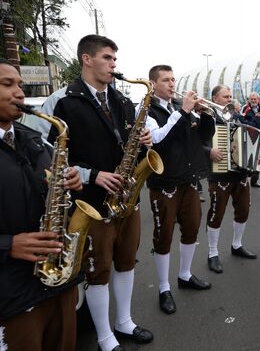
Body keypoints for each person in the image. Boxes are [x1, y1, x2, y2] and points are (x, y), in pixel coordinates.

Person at [47, 35, 153, 351]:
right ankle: (105, 336)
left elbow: (127, 144)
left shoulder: (121, 101)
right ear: (87, 59)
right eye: (107, 58)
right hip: (92, 203)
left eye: (115, 59)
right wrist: (93, 175)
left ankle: (124, 322)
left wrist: (143, 139)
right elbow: (54, 159)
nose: (114, 65)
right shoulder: (64, 101)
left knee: (126, 261)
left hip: (125, 199)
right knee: (98, 269)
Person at [0, 58, 83, 351]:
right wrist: (8, 244)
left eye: (20, 84)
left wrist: (68, 180)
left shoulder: (31, 138)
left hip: (56, 279)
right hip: (12, 294)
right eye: (7, 84)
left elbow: (48, 188)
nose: (19, 93)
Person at [144, 65, 215, 315]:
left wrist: (204, 115)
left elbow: (203, 137)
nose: (173, 84)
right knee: (163, 237)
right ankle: (164, 287)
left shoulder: (178, 108)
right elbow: (159, 139)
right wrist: (184, 111)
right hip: (164, 184)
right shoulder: (146, 110)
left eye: (173, 79)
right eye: (166, 80)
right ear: (153, 84)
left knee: (192, 227)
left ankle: (184, 275)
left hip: (188, 180)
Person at [204, 85, 260, 273]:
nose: (229, 99)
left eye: (231, 96)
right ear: (214, 97)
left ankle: (237, 245)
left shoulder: (238, 117)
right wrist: (209, 151)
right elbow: (195, 143)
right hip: (219, 173)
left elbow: (249, 142)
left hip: (240, 174)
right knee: (217, 213)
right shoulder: (207, 118)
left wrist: (257, 159)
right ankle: (212, 253)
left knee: (243, 210)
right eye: (225, 96)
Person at [241, 92, 260, 188]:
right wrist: (255, 119)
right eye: (251, 99)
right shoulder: (245, 109)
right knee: (247, 158)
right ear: (249, 100)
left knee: (258, 158)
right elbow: (243, 121)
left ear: (258, 99)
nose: (253, 101)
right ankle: (245, 179)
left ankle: (254, 180)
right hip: (248, 136)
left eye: (255, 99)